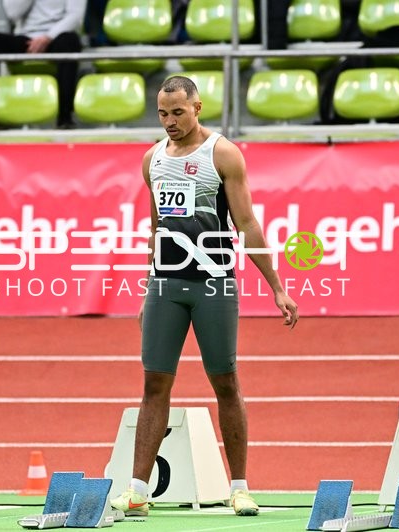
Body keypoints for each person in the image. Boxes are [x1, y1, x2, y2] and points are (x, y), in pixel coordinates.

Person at [109, 76, 299, 519]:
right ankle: (138, 490)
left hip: (214, 284)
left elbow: (247, 224)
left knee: (226, 381)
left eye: (178, 112)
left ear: (197, 107)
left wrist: (277, 286)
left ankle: (239, 487)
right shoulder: (151, 160)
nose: (170, 121)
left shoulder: (223, 154)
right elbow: (157, 226)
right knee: (154, 385)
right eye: (162, 114)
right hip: (166, 286)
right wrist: (147, 286)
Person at [0, 0, 86, 128]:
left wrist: (48, 37)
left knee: (70, 41)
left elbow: (76, 17)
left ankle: (65, 118)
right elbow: (13, 13)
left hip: (57, 36)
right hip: (25, 38)